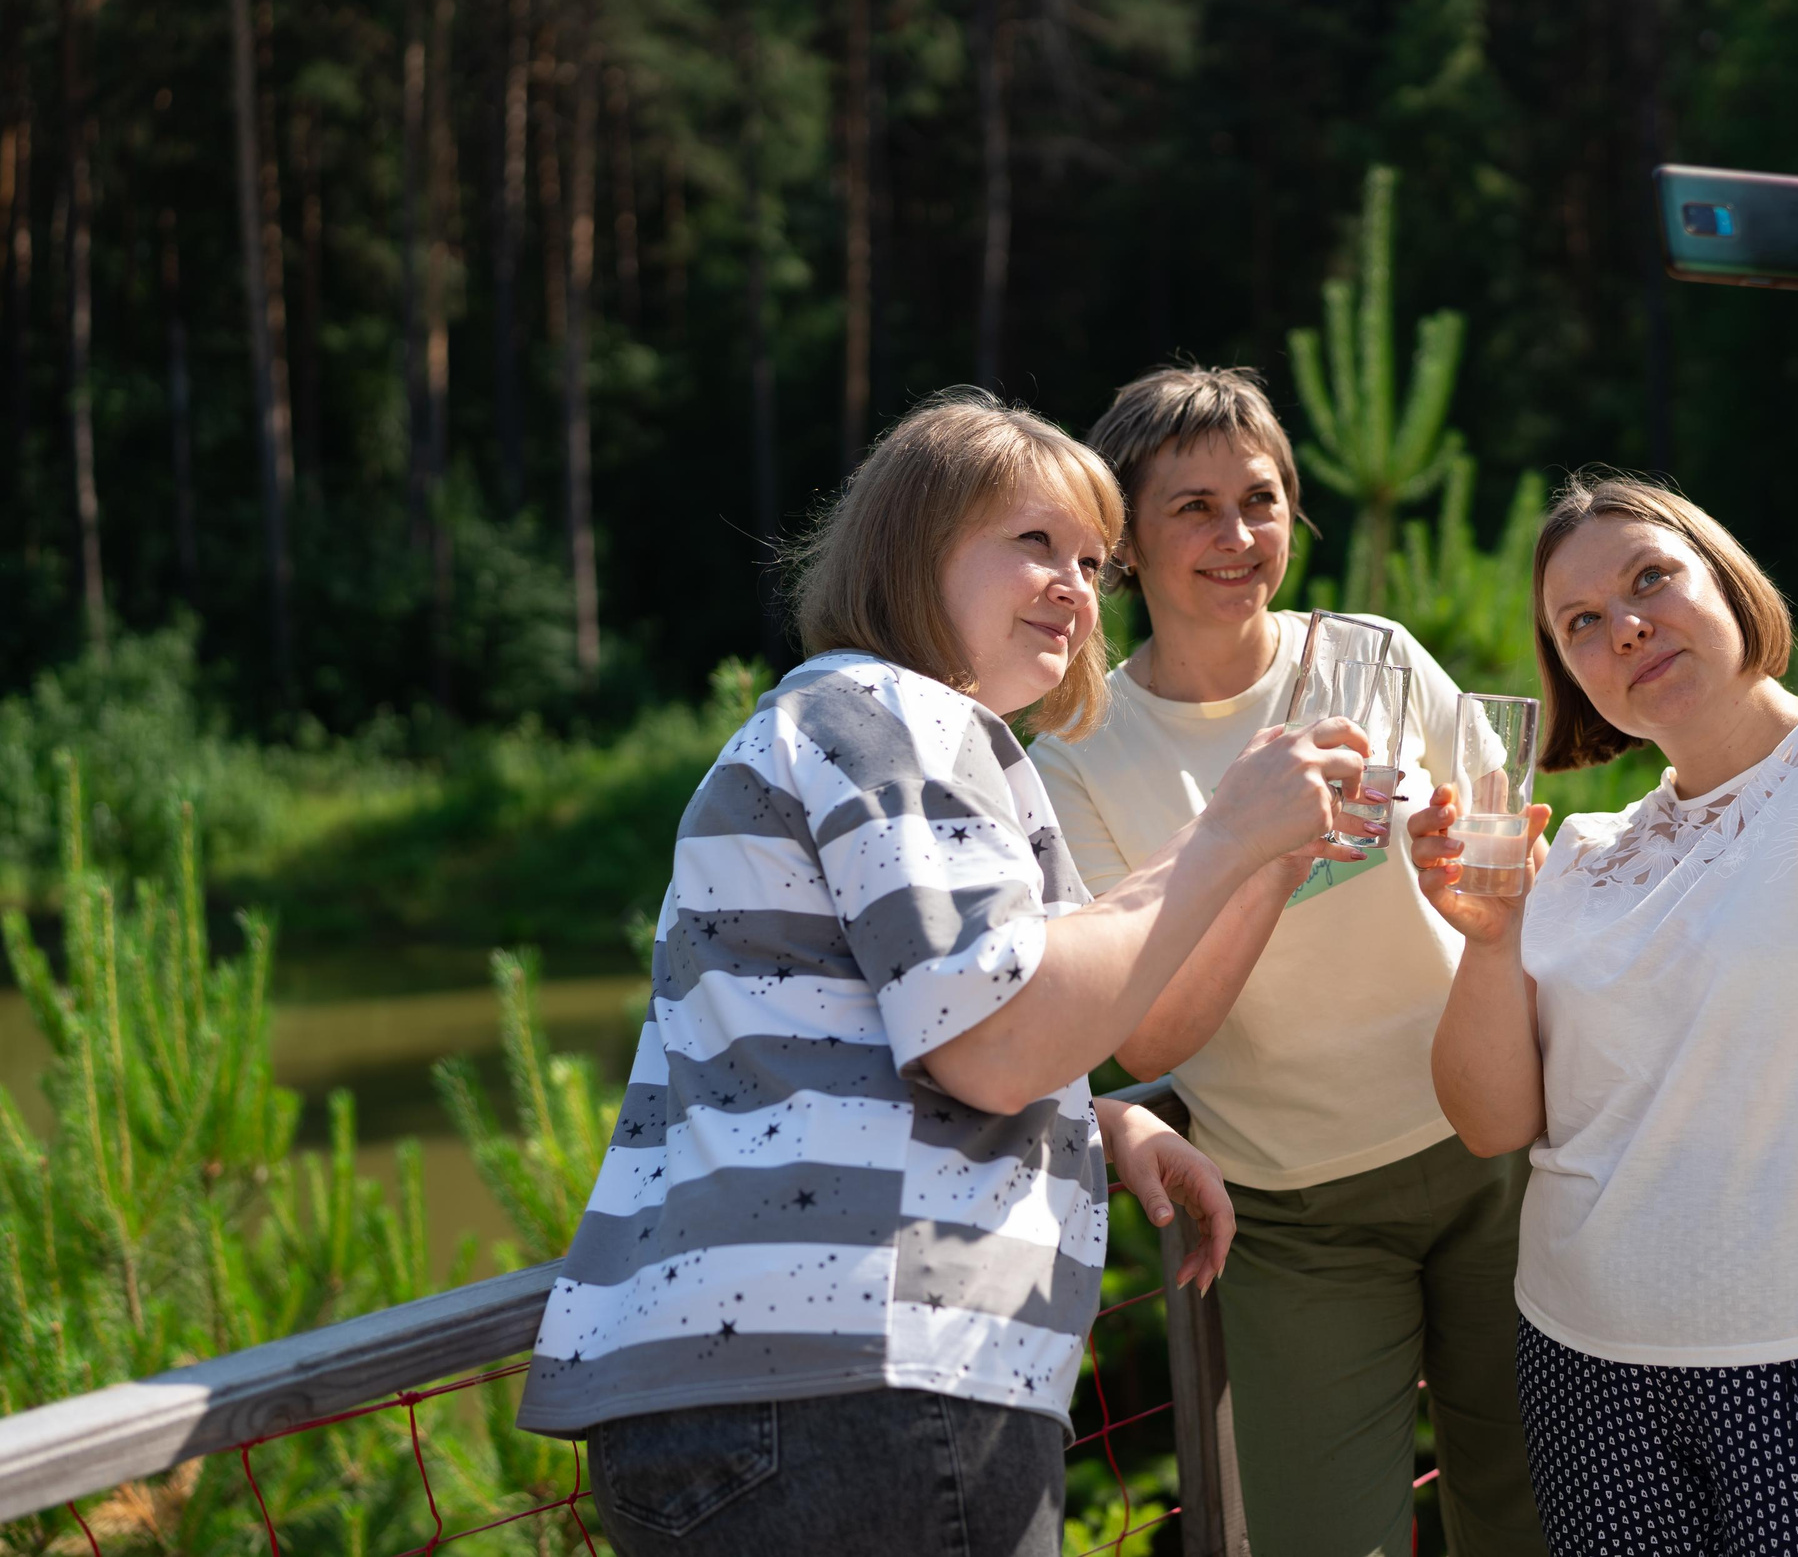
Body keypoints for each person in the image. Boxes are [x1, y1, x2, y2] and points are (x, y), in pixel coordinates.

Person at [517, 389, 1381, 1557]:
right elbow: (998, 1044)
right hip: (867, 1390)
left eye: (1094, 562)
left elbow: (890, 1028)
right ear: (912, 551)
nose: (1075, 587)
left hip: (731, 1404)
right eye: (1034, 542)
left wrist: (1091, 1121)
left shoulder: (837, 724)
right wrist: (1227, 830)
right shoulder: (893, 711)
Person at [1413, 157, 1798, 1555]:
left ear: (1725, 578)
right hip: (1588, 1364)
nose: (1625, 626)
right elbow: (1492, 1123)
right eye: (1581, 623)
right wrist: (1488, 937)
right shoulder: (1578, 854)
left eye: (1651, 577)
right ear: (1572, 678)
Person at [1029, 367, 1549, 1557]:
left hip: (1493, 1160)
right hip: (1294, 1218)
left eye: (1259, 501)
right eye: (1194, 508)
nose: (1237, 536)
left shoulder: (1377, 656)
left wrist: (1473, 865)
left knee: (1528, 1523)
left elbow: (1511, 846)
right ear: (1124, 543)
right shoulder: (1075, 756)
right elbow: (1147, 1037)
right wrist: (1271, 854)